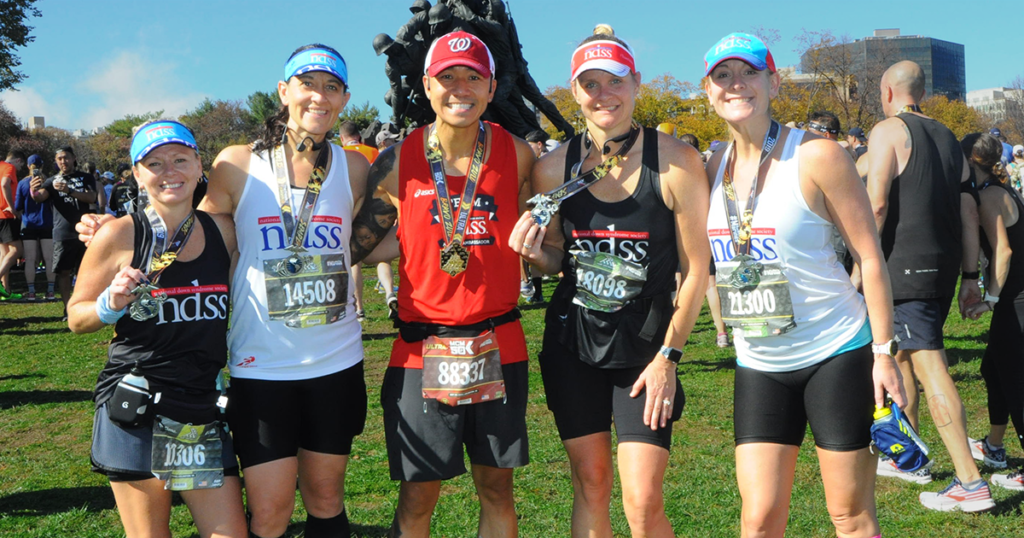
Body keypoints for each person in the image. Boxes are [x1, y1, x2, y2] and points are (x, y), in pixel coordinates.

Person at [79, 44, 382, 538]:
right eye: (308, 84)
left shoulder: (353, 169)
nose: (319, 97)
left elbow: (377, 236)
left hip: (336, 361)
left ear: (345, 98)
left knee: (327, 499)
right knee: (269, 514)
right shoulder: (237, 163)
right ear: (285, 92)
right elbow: (189, 229)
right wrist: (116, 231)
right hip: (260, 364)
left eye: (332, 87)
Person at [701, 33, 906, 537]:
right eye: (722, 76)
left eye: (748, 72)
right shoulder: (709, 167)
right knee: (759, 516)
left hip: (834, 351)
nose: (736, 85)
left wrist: (883, 353)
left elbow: (870, 257)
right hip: (759, 361)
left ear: (772, 81)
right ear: (708, 91)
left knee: (850, 516)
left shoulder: (816, 155)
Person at [510, 25, 710, 537]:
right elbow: (555, 258)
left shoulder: (677, 162)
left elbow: (696, 270)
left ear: (635, 84)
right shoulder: (554, 167)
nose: (604, 95)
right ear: (575, 92)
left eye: (614, 81)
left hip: (646, 351)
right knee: (592, 483)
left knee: (642, 501)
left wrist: (670, 356)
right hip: (572, 345)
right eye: (590, 84)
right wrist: (534, 254)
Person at [366, 31, 535, 538]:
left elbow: (544, 233)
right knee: (418, 496)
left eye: (472, 77)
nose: (459, 87)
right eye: (447, 77)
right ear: (426, 86)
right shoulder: (395, 160)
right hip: (422, 349)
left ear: (491, 87)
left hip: (498, 342)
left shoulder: (520, 154)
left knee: (496, 490)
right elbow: (358, 244)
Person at [67, 120, 247, 538]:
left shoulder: (224, 231)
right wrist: (110, 305)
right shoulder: (118, 233)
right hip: (136, 404)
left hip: (199, 405)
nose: (170, 172)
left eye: (180, 159)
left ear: (200, 165)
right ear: (137, 173)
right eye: (155, 163)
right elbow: (77, 318)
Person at [867, 60, 994, 511]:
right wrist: (970, 276)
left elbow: (876, 205)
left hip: (904, 269)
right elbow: (968, 213)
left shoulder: (887, 132)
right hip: (940, 269)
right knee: (900, 355)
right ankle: (908, 458)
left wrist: (862, 263)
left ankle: (969, 480)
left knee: (929, 365)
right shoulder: (947, 137)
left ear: (886, 92)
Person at [960, 133, 1024, 490]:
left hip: (1016, 300)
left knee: (1016, 381)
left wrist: (992, 299)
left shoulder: (988, 196)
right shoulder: (1002, 188)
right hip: (1015, 298)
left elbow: (1004, 252)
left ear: (970, 159)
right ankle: (995, 446)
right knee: (993, 368)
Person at [30, 146, 97, 317]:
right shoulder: (52, 180)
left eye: (66, 158)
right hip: (62, 232)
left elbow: (91, 198)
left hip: (85, 231)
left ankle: (84, 306)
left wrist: (69, 191)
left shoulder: (85, 177)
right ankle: (68, 309)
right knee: (64, 272)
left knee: (85, 272)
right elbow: (40, 197)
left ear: (74, 158)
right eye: (59, 158)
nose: (63, 161)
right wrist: (33, 189)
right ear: (55, 161)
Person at [340, 119, 379, 321]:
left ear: (342, 137)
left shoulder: (338, 154)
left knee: (351, 259)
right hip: (374, 209)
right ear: (359, 135)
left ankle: (357, 307)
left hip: (347, 208)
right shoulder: (372, 151)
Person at [15, 155, 56, 301]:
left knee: (30, 259)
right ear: (42, 166)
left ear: (28, 166)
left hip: (28, 225)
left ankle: (31, 292)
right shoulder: (49, 182)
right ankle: (50, 291)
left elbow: (17, 206)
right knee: (49, 258)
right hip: (47, 223)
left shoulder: (23, 183)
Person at [0, 149, 25, 299]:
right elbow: (4, 184)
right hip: (6, 215)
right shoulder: (9, 168)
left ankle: (6, 290)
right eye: (21, 166)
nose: (19, 170)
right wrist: (13, 207)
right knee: (17, 251)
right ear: (18, 161)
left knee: (4, 254)